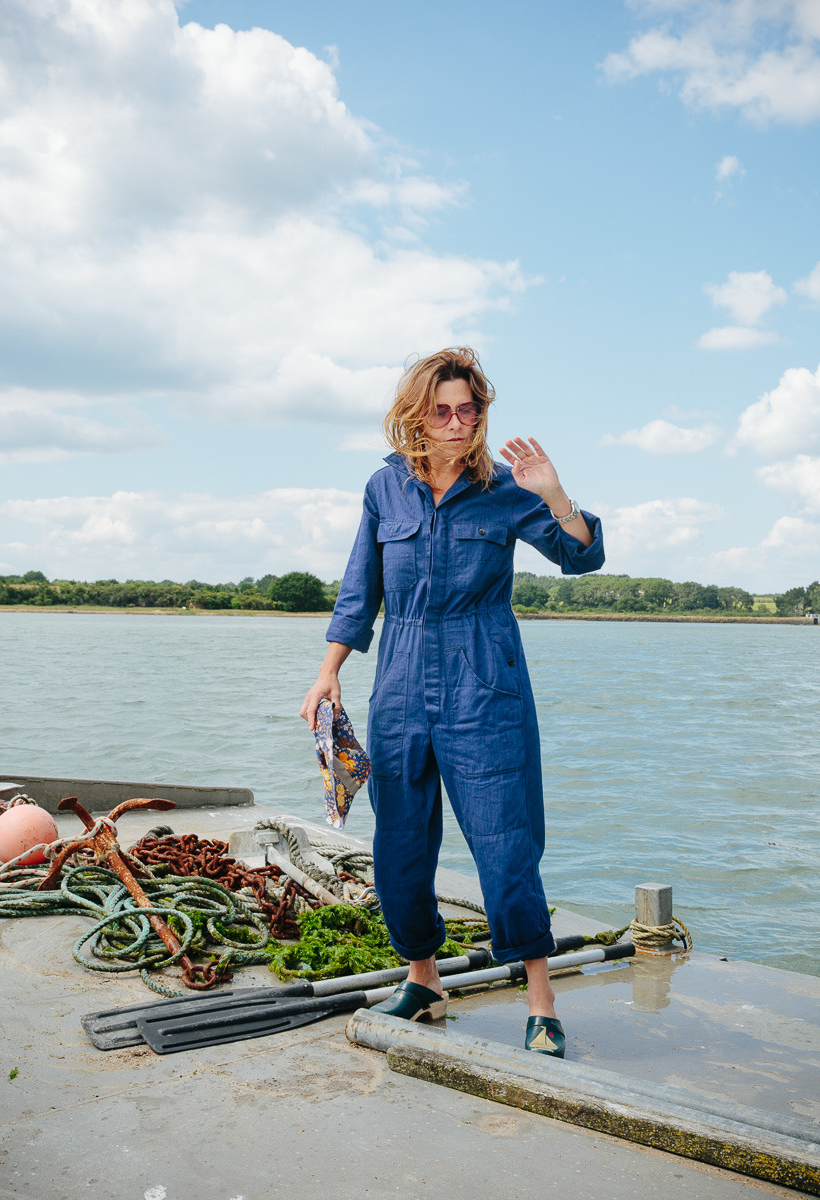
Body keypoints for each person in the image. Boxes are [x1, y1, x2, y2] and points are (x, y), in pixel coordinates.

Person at [300, 347, 604, 1056]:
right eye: (442, 410)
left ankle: (539, 996)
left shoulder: (506, 488)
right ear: (415, 415)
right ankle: (423, 980)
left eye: (468, 409)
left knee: (506, 840)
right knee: (400, 841)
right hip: (400, 680)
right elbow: (359, 590)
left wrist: (555, 496)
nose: (457, 421)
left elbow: (579, 556)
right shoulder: (385, 491)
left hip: (484, 682)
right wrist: (327, 673)